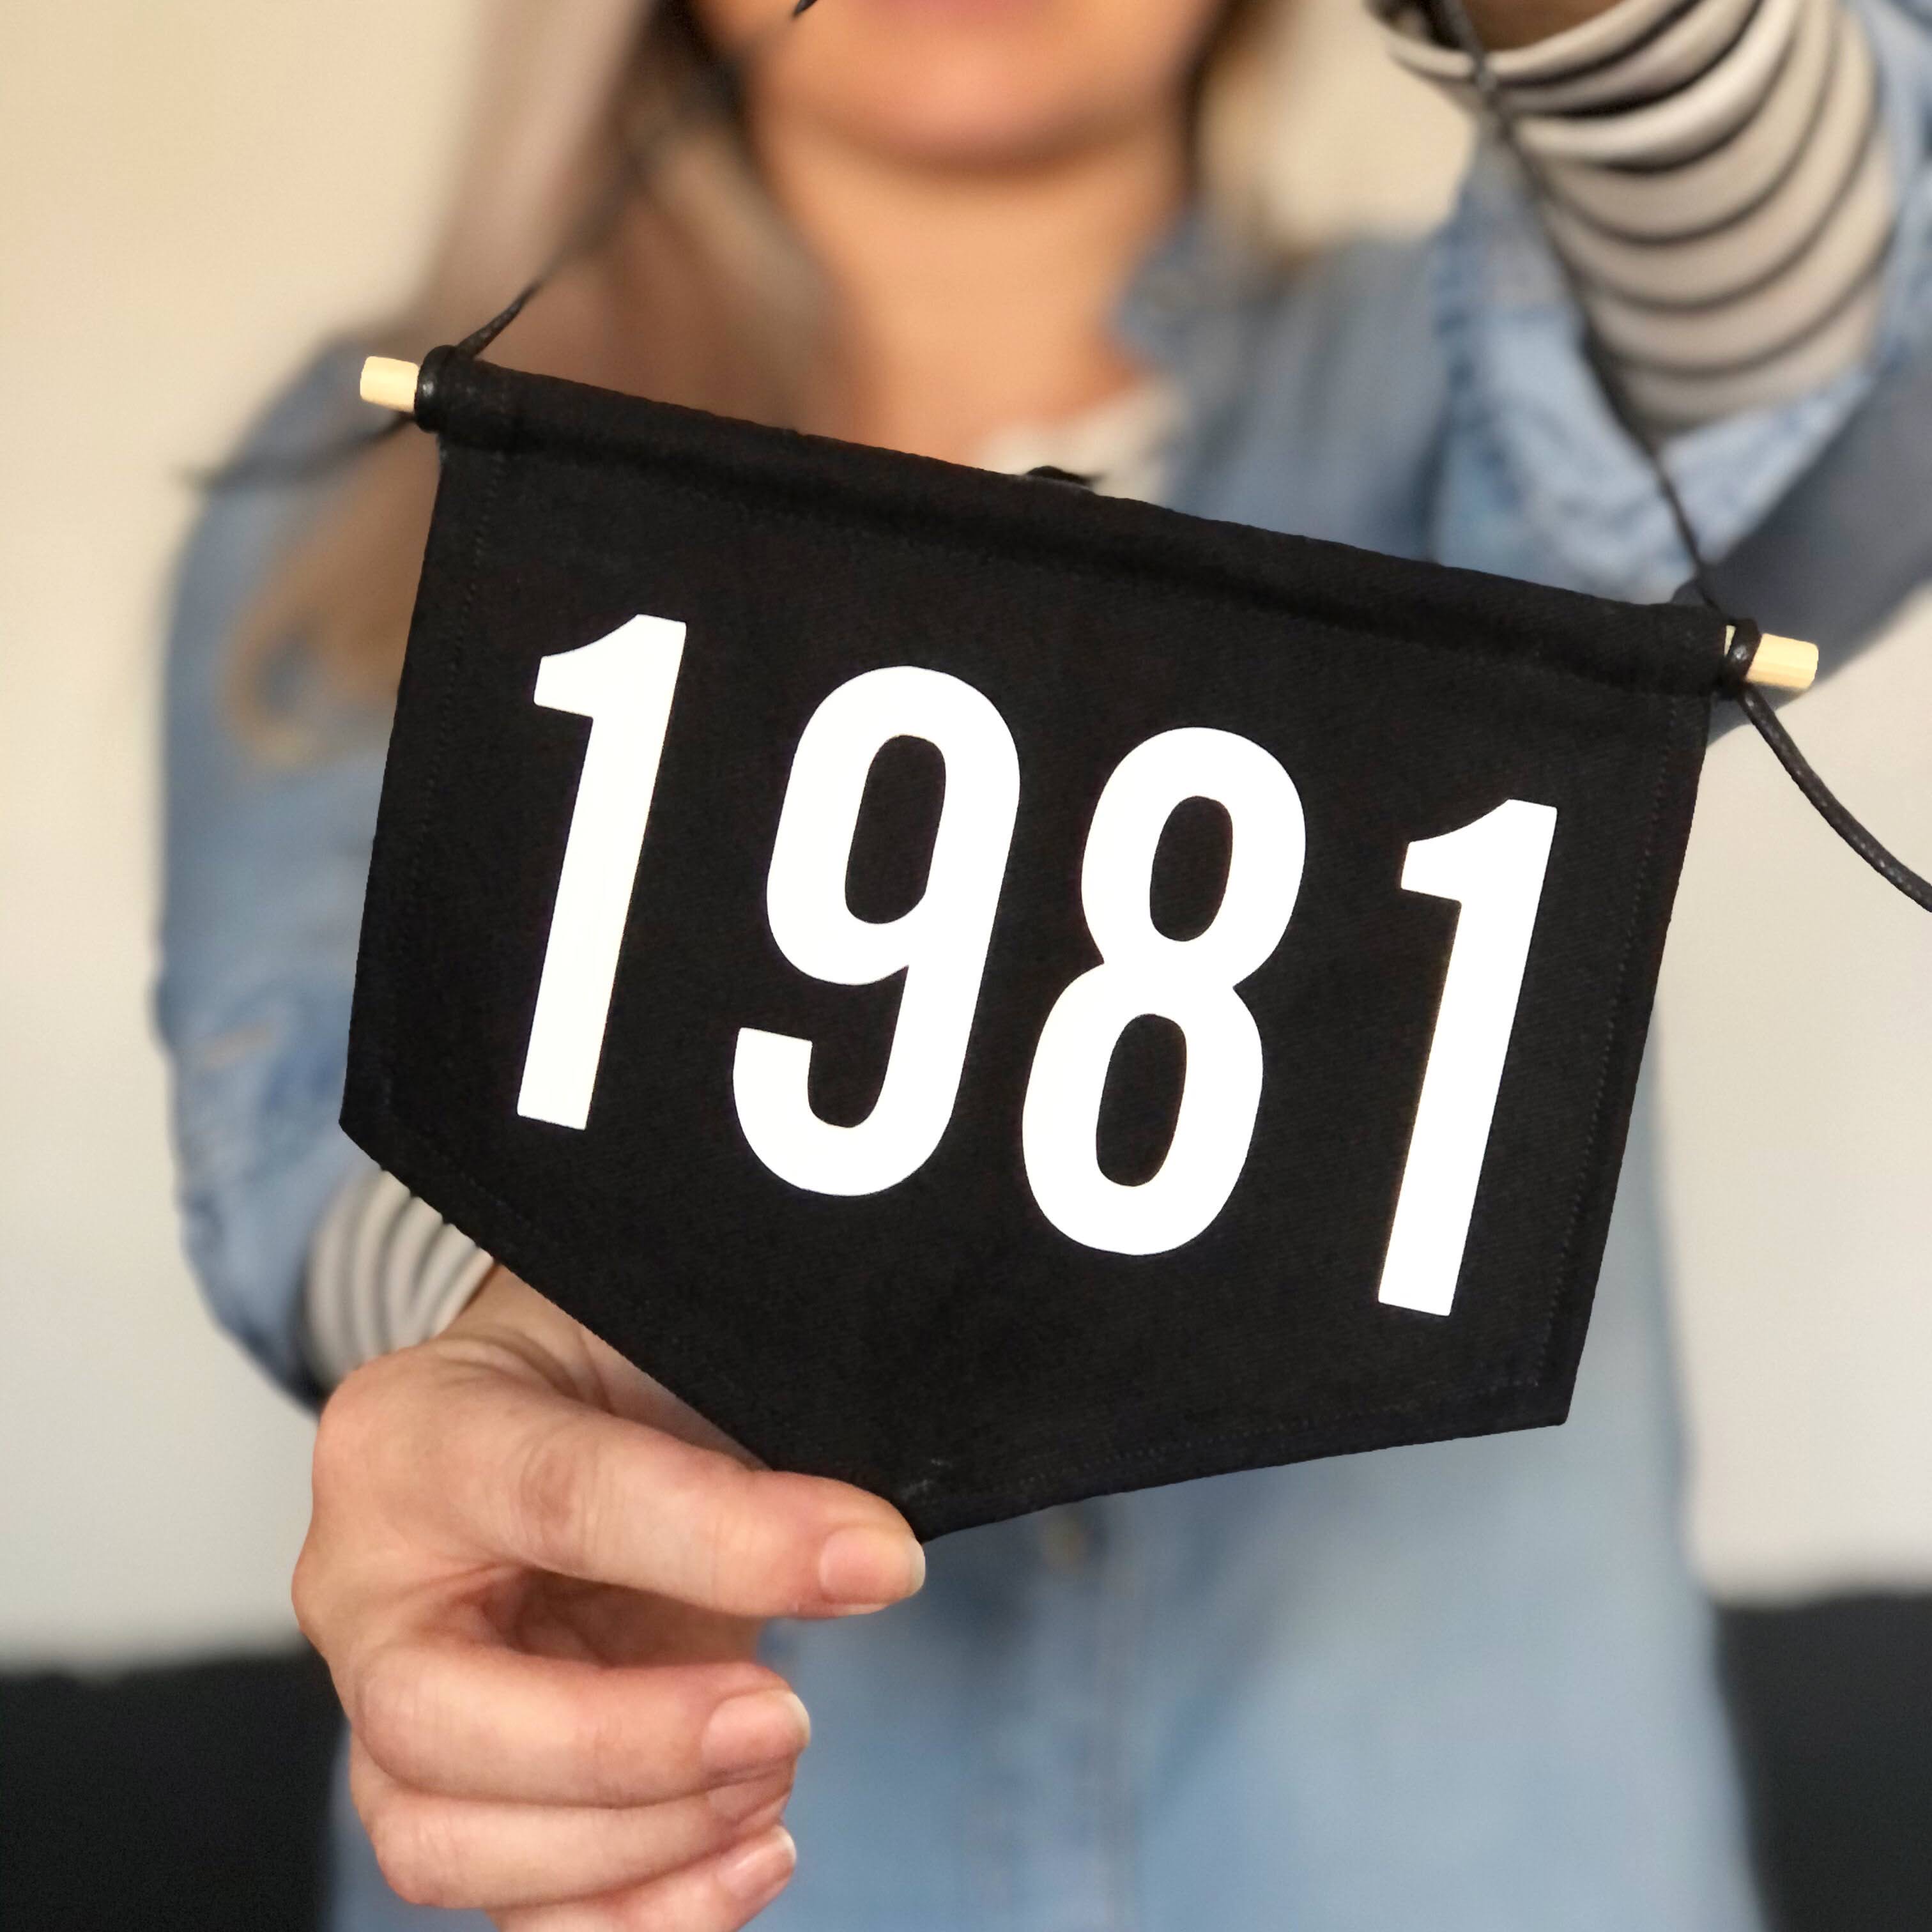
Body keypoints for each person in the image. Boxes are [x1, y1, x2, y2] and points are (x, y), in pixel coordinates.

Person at [160, 0, 1932, 1925]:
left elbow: (1782, 277)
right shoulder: (396, 462)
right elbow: (307, 1088)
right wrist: (547, 1343)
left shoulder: (1470, 382)